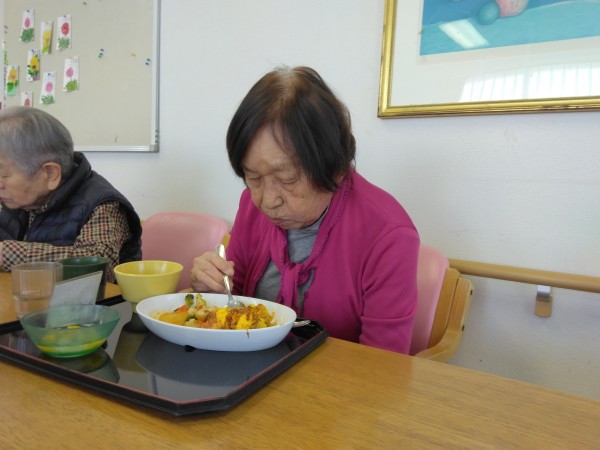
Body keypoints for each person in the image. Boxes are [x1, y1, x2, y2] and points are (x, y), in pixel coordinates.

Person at [190, 66, 420, 353]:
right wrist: (210, 291)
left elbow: (384, 363)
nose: (267, 200)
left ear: (334, 167)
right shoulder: (251, 205)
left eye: (287, 179)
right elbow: (234, 302)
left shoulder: (388, 235)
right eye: (254, 178)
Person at [0, 106, 142, 283]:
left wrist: (7, 254)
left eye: (3, 174)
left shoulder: (101, 204)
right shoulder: (17, 200)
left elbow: (99, 266)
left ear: (50, 174)